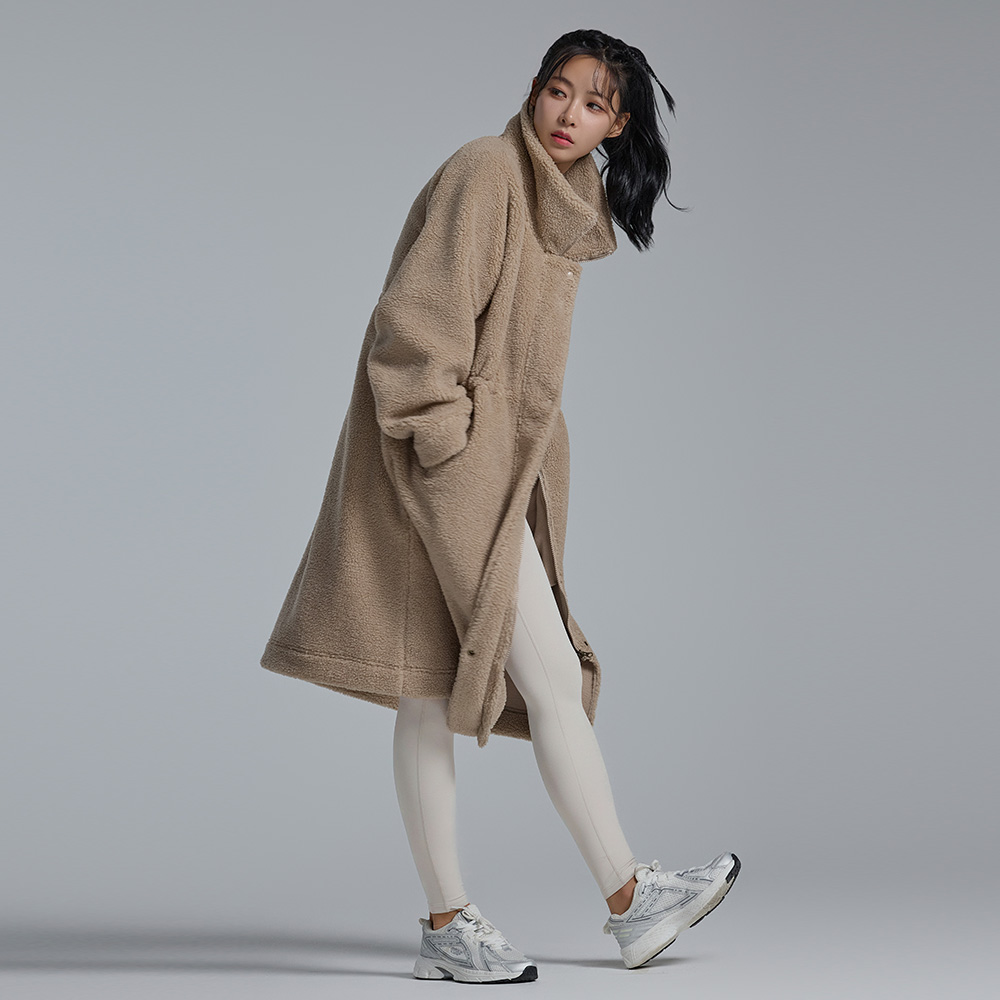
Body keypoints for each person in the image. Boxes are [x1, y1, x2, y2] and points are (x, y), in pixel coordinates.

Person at [260, 27, 739, 984]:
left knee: (428, 692)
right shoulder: (487, 171)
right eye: (559, 91)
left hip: (480, 471)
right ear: (534, 88)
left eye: (594, 104)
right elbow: (413, 329)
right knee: (545, 675)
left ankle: (455, 925)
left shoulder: (565, 200)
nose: (568, 115)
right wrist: (450, 452)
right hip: (442, 473)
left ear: (617, 125)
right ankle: (628, 899)